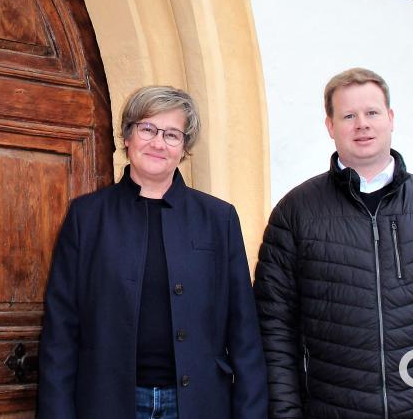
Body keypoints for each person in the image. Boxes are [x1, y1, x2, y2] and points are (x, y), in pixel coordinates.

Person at [254, 68, 413, 418]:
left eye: (372, 113)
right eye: (348, 116)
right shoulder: (296, 213)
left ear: (390, 118)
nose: (362, 124)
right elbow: (274, 329)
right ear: (330, 126)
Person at [38, 85, 268, 419]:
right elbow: (61, 328)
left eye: (172, 135)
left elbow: (243, 329)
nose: (158, 143)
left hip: (198, 403)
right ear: (128, 136)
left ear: (184, 148)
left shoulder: (218, 218)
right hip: (107, 402)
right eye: (148, 129)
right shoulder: (87, 217)